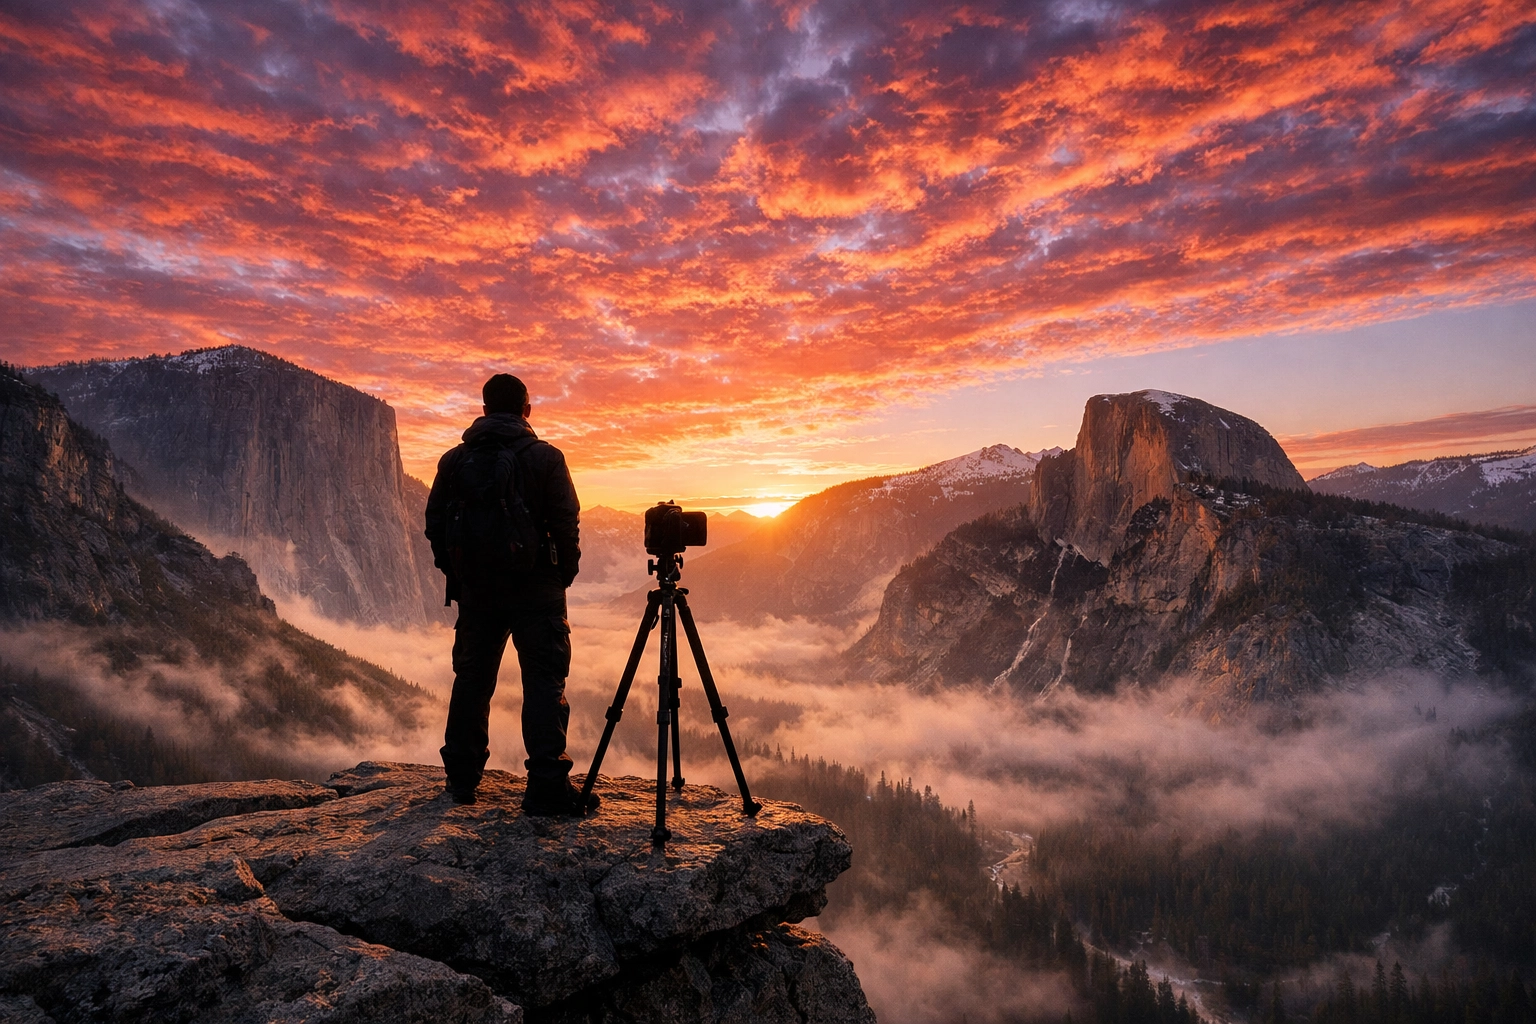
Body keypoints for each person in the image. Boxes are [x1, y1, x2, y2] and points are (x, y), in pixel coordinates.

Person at [424, 373, 596, 815]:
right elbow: (566, 523)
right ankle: (545, 786)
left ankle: (461, 781)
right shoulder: (546, 458)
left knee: (472, 681)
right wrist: (561, 577)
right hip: (537, 591)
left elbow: (435, 526)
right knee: (544, 682)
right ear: (527, 410)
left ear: (483, 411)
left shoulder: (454, 460)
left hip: (477, 591)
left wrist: (459, 575)